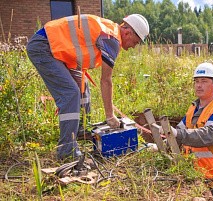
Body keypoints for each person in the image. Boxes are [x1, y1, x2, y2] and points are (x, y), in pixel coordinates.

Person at [26, 14, 149, 160]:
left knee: (83, 86)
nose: (134, 46)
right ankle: (66, 150)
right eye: (136, 42)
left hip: (56, 49)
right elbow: (106, 80)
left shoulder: (109, 32)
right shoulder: (111, 39)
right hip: (44, 47)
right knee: (71, 93)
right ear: (128, 33)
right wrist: (110, 116)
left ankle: (79, 130)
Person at [162, 62, 213, 200]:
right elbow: (179, 132)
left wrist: (177, 133)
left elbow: (209, 135)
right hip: (193, 177)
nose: (199, 85)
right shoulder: (193, 108)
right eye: (196, 81)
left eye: (204, 81)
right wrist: (161, 145)